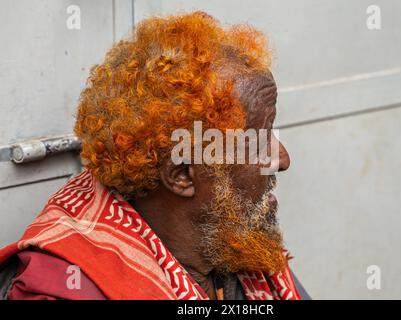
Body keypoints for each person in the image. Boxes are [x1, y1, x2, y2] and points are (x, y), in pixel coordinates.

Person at [0, 11, 310, 300]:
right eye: (256, 141)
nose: (281, 159)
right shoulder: (66, 287)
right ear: (182, 174)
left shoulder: (235, 244)